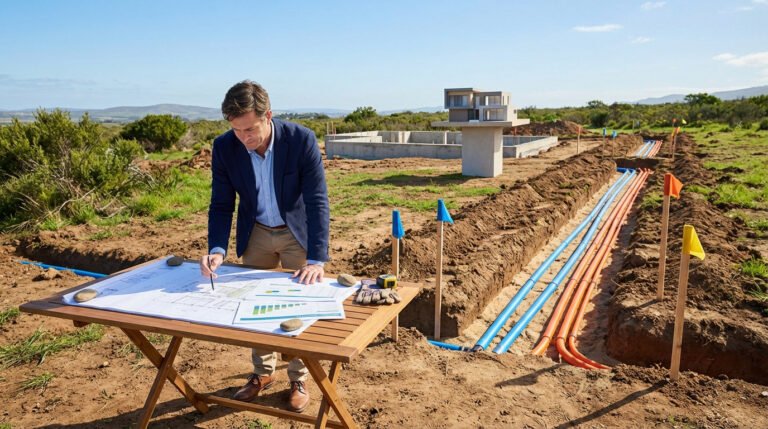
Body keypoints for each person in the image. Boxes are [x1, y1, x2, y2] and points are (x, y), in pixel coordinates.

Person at [200, 80, 330, 412]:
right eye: (237, 130)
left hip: (294, 232)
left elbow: (317, 202)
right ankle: (262, 374)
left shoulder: (300, 140)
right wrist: (217, 249)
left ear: (268, 114)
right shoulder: (225, 147)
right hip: (255, 232)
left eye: (250, 128)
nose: (244, 137)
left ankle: (298, 377)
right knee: (254, 307)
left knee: (297, 307)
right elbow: (221, 204)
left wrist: (316, 258)